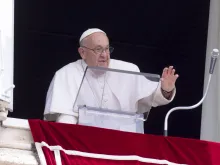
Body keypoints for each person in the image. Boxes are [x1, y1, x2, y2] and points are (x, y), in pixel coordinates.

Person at [44, 28, 179, 133]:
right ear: (82, 52)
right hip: (84, 143)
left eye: (107, 49)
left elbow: (150, 97)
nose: (104, 55)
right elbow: (64, 118)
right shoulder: (66, 74)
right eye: (98, 49)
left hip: (124, 143)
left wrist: (165, 89)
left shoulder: (128, 69)